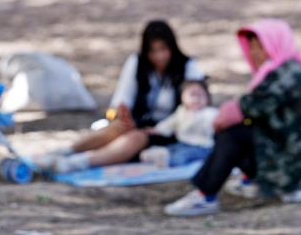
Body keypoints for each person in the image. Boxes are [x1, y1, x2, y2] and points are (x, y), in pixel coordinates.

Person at [164, 18, 301, 217]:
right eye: (251, 47)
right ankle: (244, 180)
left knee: (231, 135)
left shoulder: (283, 75)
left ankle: (204, 194)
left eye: (260, 47)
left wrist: (225, 120)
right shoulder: (292, 69)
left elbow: (240, 111)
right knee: (243, 130)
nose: (254, 53)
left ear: (276, 45)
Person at [48, 20, 204, 173]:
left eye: (163, 49)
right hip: (140, 122)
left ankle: (78, 163)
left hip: (172, 129)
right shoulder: (137, 63)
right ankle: (63, 152)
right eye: (153, 51)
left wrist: (161, 128)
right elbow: (119, 103)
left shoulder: (187, 67)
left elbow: (197, 104)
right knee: (117, 128)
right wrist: (120, 115)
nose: (159, 56)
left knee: (136, 137)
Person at [141, 79, 218, 168]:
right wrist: (157, 129)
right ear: (183, 97)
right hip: (183, 143)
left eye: (200, 95)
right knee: (171, 148)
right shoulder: (181, 111)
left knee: (183, 155)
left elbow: (216, 123)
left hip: (201, 147)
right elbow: (170, 123)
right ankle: (158, 155)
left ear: (207, 98)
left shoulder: (209, 113)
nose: (196, 99)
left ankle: (169, 161)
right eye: (192, 95)